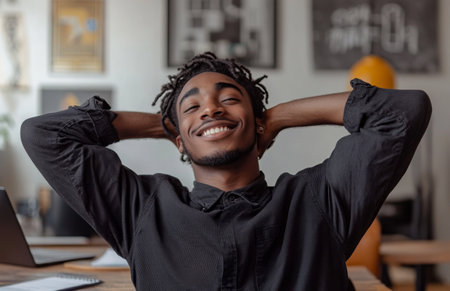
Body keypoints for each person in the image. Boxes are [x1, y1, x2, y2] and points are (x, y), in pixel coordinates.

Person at [21, 52, 431, 291]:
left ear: (256, 124)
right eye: (192, 106)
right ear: (179, 141)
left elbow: (403, 112)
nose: (211, 108)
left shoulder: (317, 201)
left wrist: (278, 117)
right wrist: (166, 127)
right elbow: (43, 136)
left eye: (229, 99)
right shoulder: (144, 211)